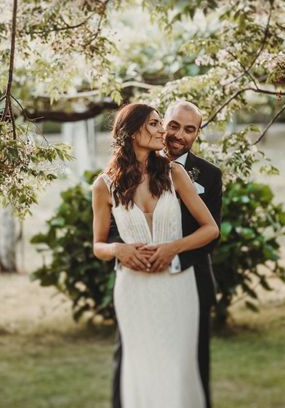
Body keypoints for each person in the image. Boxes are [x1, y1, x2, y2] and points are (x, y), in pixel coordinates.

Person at [92, 102, 221, 408]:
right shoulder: (103, 185)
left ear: (197, 133)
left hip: (182, 285)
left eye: (189, 129)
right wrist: (118, 250)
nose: (168, 132)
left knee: (183, 370)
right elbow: (99, 242)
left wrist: (171, 250)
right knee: (133, 369)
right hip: (133, 288)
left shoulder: (179, 173)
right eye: (162, 124)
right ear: (132, 131)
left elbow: (211, 230)